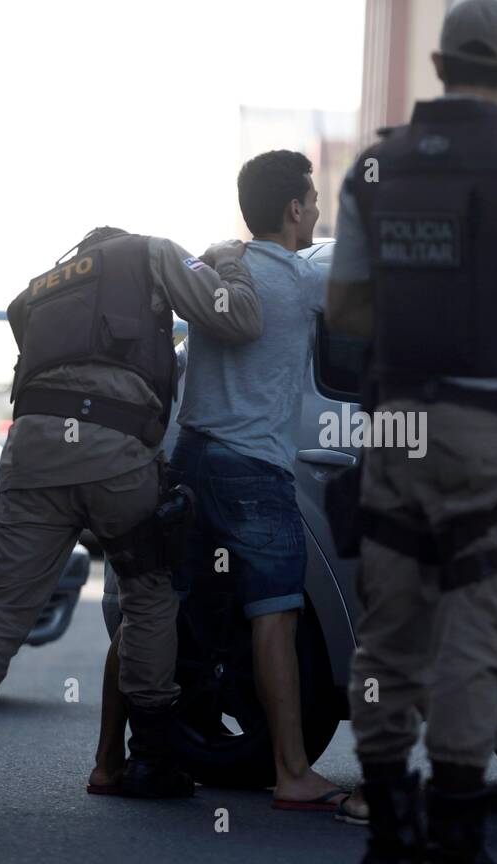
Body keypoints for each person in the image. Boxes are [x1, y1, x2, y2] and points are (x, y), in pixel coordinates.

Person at [326, 0, 497, 864]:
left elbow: (346, 310)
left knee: (389, 629)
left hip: (395, 418)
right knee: (474, 631)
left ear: (439, 66)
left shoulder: (376, 166)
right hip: (491, 426)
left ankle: (388, 827)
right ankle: (453, 837)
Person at [0, 227, 261, 807]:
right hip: (115, 445)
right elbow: (238, 318)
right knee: (148, 595)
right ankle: (149, 763)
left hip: (32, 447)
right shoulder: (153, 251)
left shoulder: (42, 287)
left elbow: (24, 326)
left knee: (0, 604)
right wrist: (230, 264)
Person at [91, 150, 370, 823]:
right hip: (254, 471)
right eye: (313, 200)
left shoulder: (219, 270)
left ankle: (106, 761)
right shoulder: (302, 282)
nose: (318, 211)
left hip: (189, 458)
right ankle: (292, 773)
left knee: (150, 610)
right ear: (296, 209)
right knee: (273, 616)